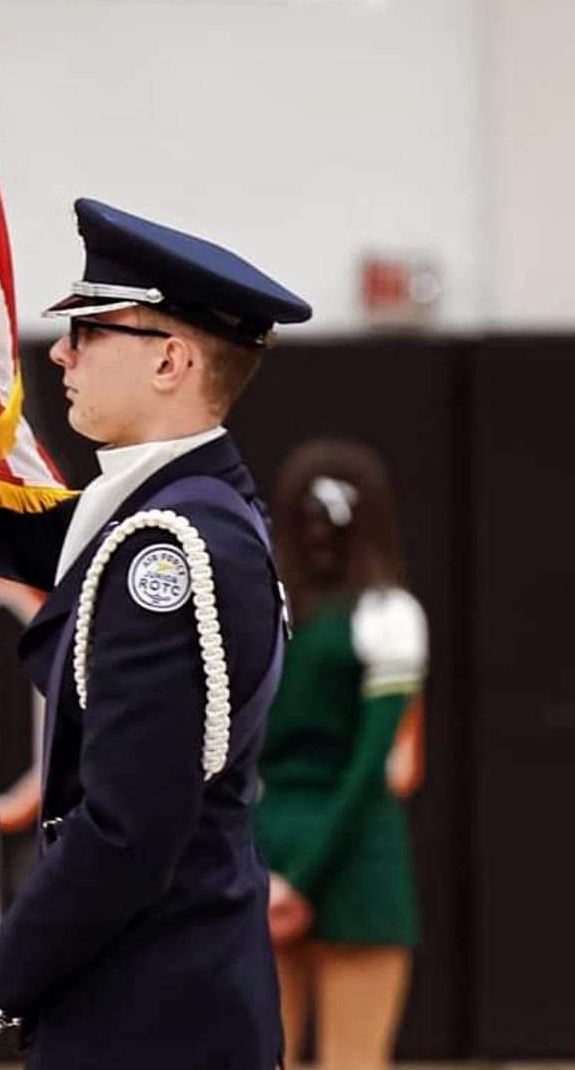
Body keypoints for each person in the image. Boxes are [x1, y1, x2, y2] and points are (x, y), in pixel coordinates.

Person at [0, 197, 312, 1068]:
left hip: (152, 1014)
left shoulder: (171, 547)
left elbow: (131, 825)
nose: (62, 352)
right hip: (169, 1001)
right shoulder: (179, 510)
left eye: (91, 330)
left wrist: (12, 965)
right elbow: (13, 533)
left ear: (171, 360)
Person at [254, 439, 428, 1070]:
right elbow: (366, 766)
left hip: (280, 852)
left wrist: (276, 876)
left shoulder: (265, 615)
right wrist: (291, 876)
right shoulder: (390, 614)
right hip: (351, 853)